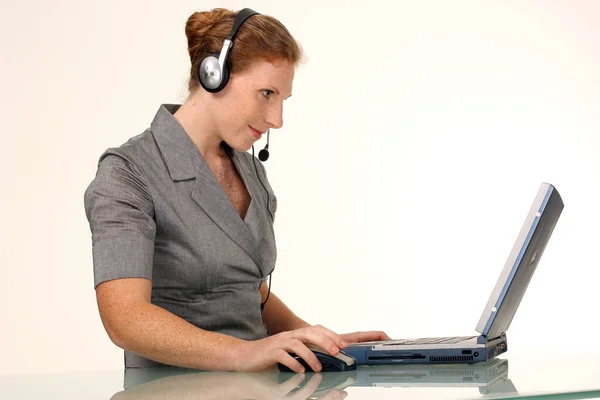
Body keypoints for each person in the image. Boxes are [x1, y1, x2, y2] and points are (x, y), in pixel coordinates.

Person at [84, 7, 389, 374]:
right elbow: (126, 319)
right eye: (266, 93)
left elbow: (249, 292)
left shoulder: (250, 170)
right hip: (172, 391)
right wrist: (243, 353)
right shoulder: (128, 173)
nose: (277, 119)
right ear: (213, 75)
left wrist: (319, 341)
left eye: (282, 100)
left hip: (260, 387)